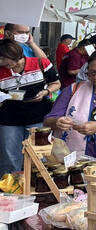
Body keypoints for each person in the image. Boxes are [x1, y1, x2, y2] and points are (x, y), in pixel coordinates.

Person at [0, 39, 61, 175]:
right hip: (9, 117)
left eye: (4, 58)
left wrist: (46, 92)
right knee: (10, 155)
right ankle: (10, 187)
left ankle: (40, 183)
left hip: (38, 115)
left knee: (39, 153)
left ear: (15, 54)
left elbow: (56, 83)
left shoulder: (41, 63)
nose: (1, 62)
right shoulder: (1, 71)